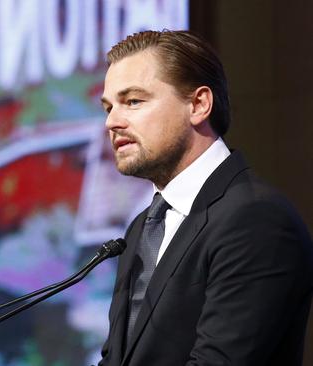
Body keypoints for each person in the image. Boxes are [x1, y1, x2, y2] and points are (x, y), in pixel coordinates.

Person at [97, 30, 313, 366]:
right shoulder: (143, 227)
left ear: (199, 105)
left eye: (133, 101)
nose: (112, 121)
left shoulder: (255, 219)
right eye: (109, 107)